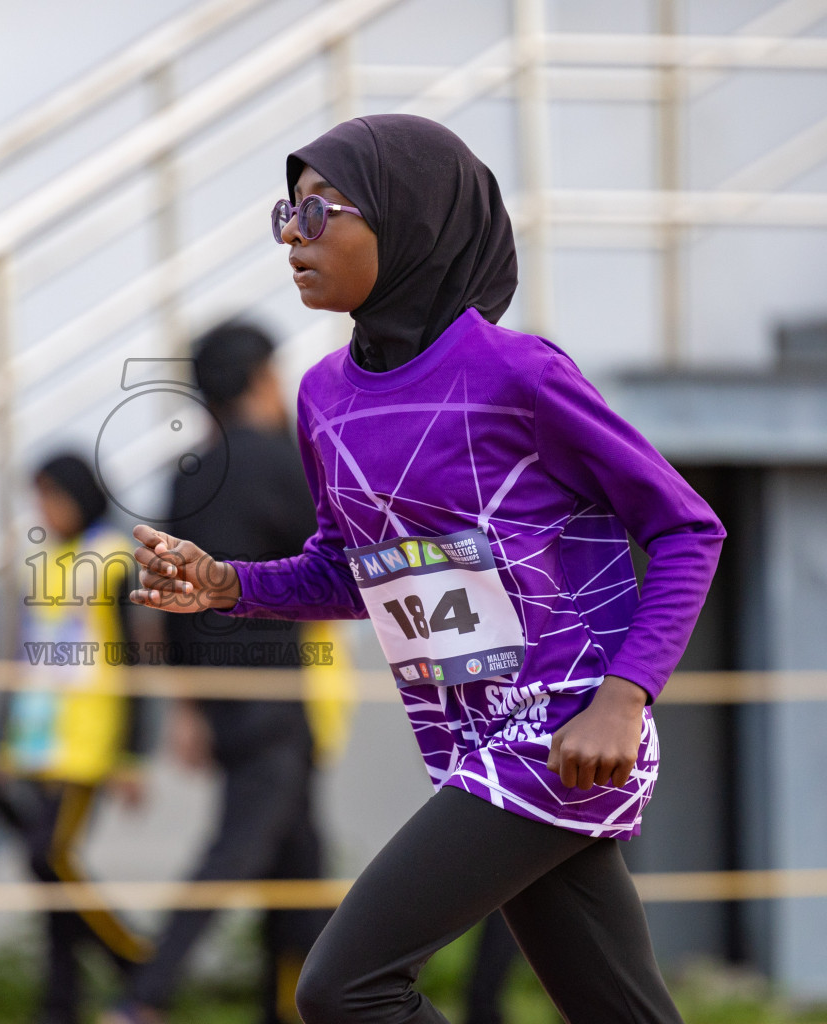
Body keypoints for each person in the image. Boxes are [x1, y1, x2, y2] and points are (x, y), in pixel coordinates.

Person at [128, 114, 725, 1024]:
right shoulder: (323, 396)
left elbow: (688, 528)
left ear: (410, 220)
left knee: (345, 987)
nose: (293, 235)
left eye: (322, 212)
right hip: (469, 745)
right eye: (286, 212)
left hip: (561, 736)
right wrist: (229, 585)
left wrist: (623, 697)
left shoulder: (517, 373)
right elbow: (350, 570)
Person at [107, 323, 330, 1024]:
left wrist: (188, 706)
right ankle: (145, 998)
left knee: (299, 864)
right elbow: (331, 556)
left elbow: (169, 606)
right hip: (271, 692)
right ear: (261, 378)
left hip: (222, 697)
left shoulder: (189, 473)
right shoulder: (274, 458)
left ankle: (296, 1007)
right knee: (236, 852)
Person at [0, 452, 152, 1024]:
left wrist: (131, 754)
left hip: (89, 740)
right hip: (37, 738)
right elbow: (24, 656)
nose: (45, 509)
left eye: (53, 496)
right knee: (50, 879)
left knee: (51, 857)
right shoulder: (40, 558)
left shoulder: (113, 558)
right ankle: (60, 1006)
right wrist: (2, 742)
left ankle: (137, 960)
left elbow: (131, 658)